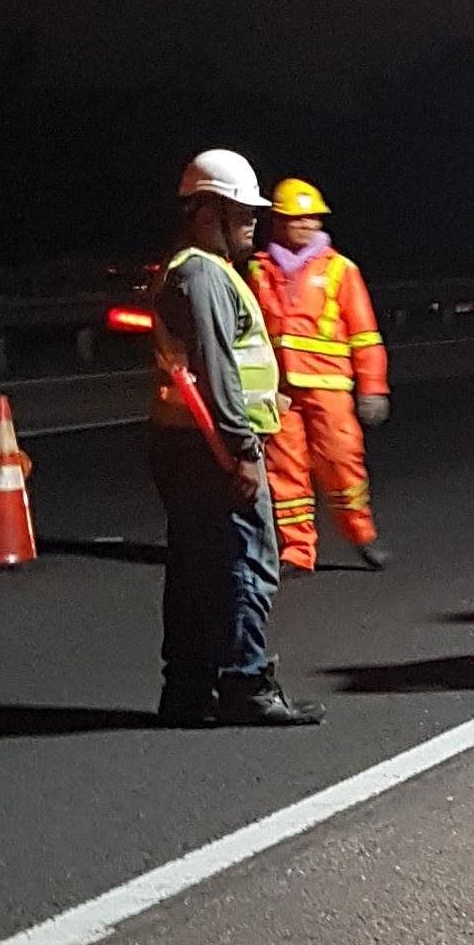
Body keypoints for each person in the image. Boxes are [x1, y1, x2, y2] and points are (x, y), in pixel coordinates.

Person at [151, 151, 324, 729]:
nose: (254, 223)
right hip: (213, 448)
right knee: (248, 564)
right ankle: (244, 683)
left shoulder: (204, 271)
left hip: (192, 442)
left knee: (196, 569)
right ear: (206, 214)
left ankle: (189, 689)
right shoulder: (202, 273)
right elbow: (218, 367)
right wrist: (243, 452)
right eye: (242, 213)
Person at [251, 177, 390, 573]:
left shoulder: (340, 270)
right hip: (279, 390)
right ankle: (297, 551)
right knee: (284, 470)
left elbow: (365, 335)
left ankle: (362, 535)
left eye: (313, 218)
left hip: (329, 387)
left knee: (342, 462)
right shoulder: (259, 270)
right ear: (278, 222)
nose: (308, 224)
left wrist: (373, 388)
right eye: (299, 218)